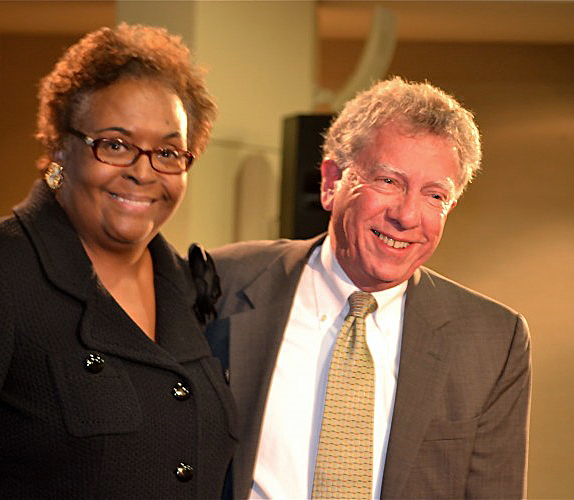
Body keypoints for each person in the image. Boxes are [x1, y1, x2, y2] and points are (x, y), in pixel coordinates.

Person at [0, 22, 236, 498]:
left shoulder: (190, 286)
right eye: (115, 144)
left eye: (168, 151)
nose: (143, 172)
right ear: (60, 146)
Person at [208, 77, 531, 499]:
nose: (407, 215)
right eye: (388, 182)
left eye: (435, 196)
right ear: (331, 182)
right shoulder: (223, 283)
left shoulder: (492, 340)